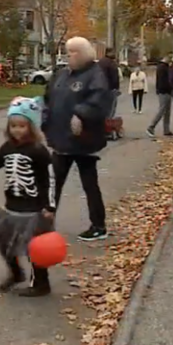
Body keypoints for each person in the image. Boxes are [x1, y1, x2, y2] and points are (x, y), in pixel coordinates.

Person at [0, 97, 56, 297]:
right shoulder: (7, 148)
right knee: (3, 240)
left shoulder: (39, 151)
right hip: (12, 207)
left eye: (22, 126)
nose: (17, 130)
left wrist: (50, 206)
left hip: (33, 209)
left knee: (35, 248)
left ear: (31, 127)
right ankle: (15, 273)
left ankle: (41, 283)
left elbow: (50, 179)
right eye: (13, 126)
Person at [43, 36, 112, 242]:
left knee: (89, 184)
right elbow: (48, 98)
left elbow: (99, 100)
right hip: (60, 140)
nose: (68, 55)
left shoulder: (95, 75)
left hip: (84, 141)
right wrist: (44, 121)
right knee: (52, 184)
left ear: (83, 54)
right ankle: (45, 223)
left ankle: (98, 225)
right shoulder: (61, 75)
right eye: (67, 51)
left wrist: (81, 114)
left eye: (73, 52)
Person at [145, 55, 173, 138]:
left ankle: (166, 129)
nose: (170, 60)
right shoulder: (162, 68)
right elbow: (163, 81)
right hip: (163, 91)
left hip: (166, 91)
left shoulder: (165, 67)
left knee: (167, 111)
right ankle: (151, 127)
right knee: (162, 110)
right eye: (170, 58)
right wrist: (168, 87)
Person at [98, 49, 121, 119]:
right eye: (113, 52)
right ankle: (108, 122)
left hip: (99, 89)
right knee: (111, 109)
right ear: (109, 53)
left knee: (101, 108)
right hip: (110, 89)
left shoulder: (99, 62)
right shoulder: (111, 63)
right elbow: (115, 77)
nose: (115, 54)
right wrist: (116, 88)